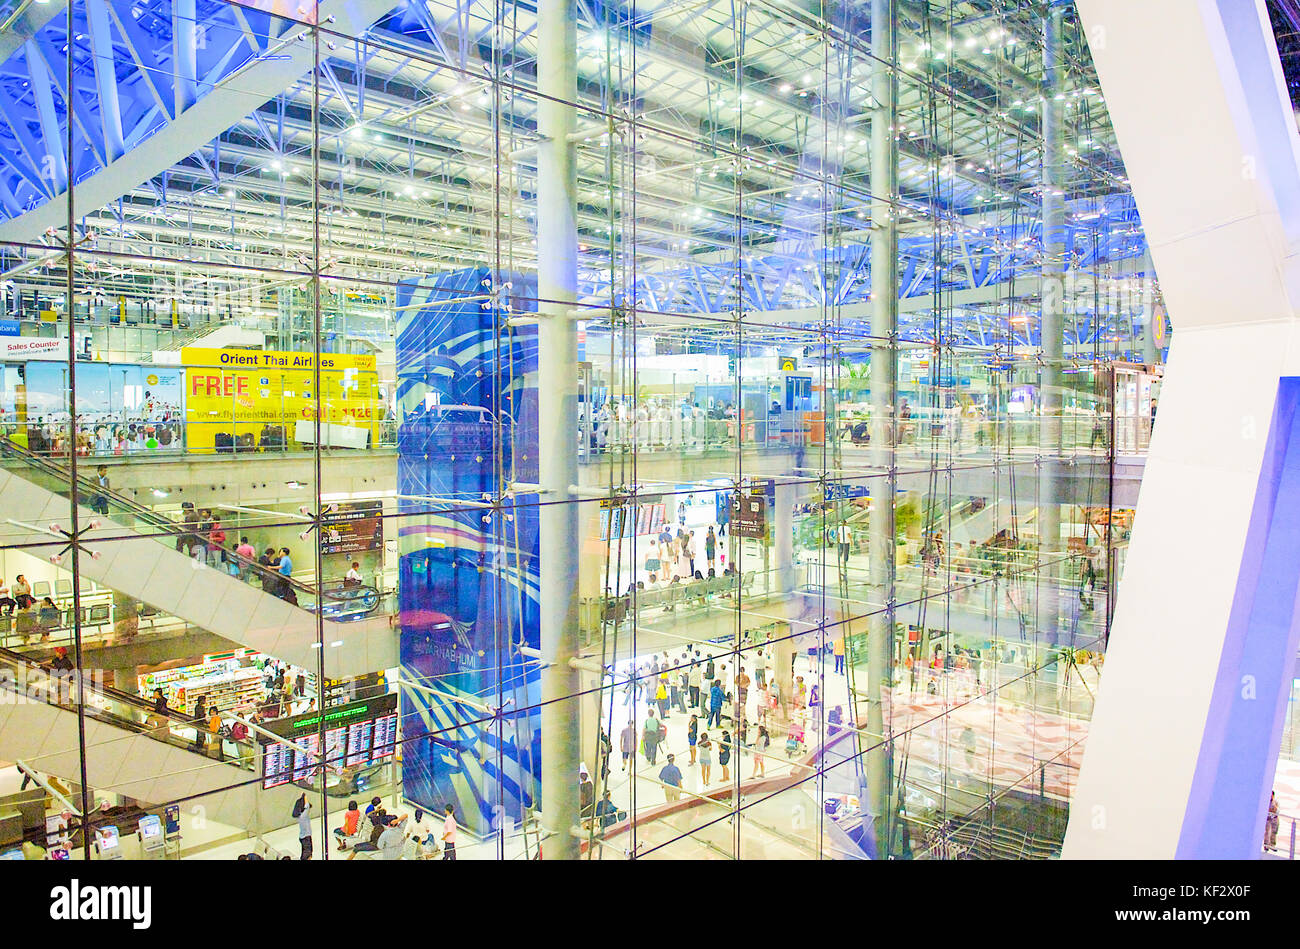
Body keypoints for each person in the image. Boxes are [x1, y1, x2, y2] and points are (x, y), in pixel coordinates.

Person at [292, 793, 312, 860]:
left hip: (303, 837)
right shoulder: (303, 816)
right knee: (307, 855)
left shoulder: (300, 815)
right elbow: (307, 806)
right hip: (306, 837)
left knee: (305, 854)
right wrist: (305, 796)